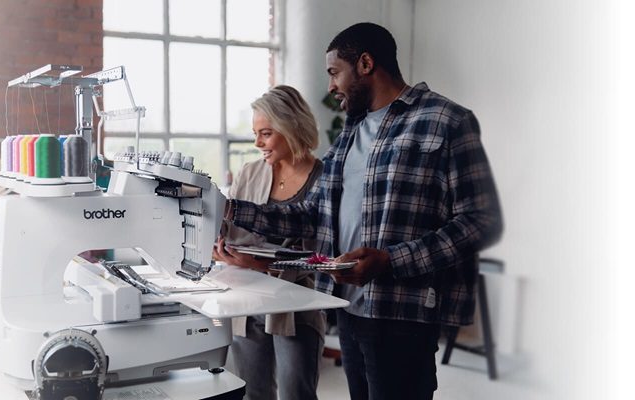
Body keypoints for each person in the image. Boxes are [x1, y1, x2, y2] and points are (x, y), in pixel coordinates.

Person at [221, 22, 503, 400]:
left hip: (404, 314)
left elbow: (481, 221)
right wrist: (228, 208)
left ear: (366, 64)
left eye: (335, 73)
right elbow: (310, 215)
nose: (330, 86)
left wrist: (391, 261)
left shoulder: (447, 121)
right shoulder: (350, 132)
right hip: (348, 309)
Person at [213, 85, 325, 400]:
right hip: (246, 302)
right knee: (252, 394)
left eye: (265, 133)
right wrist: (218, 247)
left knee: (296, 395)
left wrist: (259, 263)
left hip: (297, 305)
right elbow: (226, 230)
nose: (257, 142)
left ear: (291, 127)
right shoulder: (250, 173)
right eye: (255, 133)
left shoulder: (323, 179)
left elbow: (322, 255)